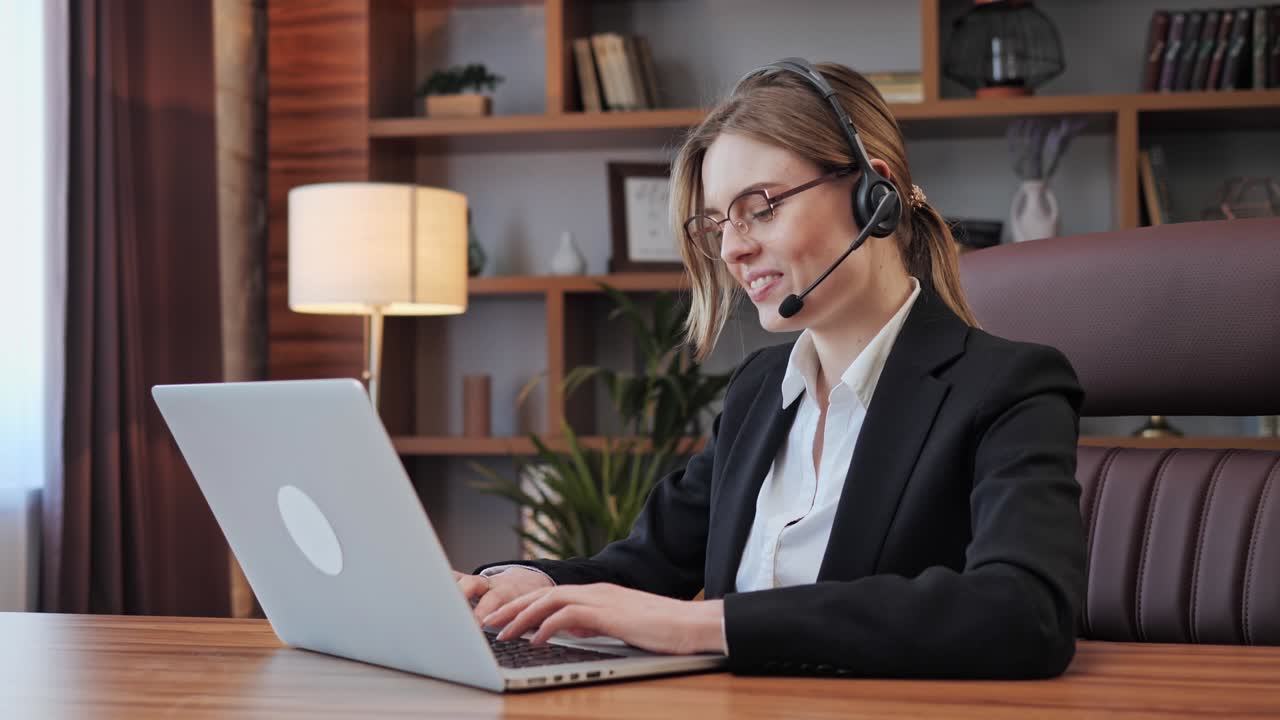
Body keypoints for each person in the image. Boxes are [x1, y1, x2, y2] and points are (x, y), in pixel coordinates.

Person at [453, 58, 1087, 679]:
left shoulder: (1008, 387)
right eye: (717, 223)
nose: (733, 248)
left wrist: (706, 625)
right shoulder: (760, 390)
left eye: (761, 207)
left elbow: (1023, 612)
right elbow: (647, 565)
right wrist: (525, 584)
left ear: (875, 194)